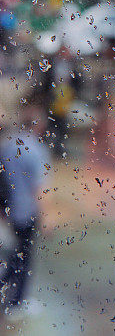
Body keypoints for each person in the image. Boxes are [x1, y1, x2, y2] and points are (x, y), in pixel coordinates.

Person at [0, 108, 50, 316]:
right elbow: (41, 189)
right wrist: (47, 217)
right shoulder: (37, 150)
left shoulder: (8, 146)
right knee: (25, 256)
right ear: (38, 125)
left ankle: (6, 289)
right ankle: (18, 303)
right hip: (28, 211)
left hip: (10, 209)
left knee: (15, 253)